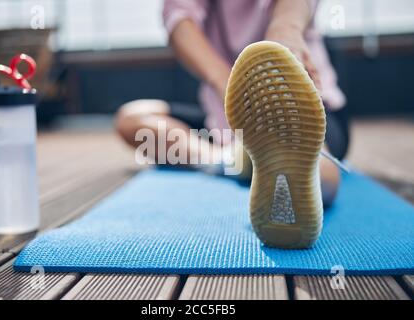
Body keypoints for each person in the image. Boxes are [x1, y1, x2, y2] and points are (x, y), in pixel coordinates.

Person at [115, 0, 349, 248]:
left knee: (315, 154)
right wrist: (231, 87)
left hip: (306, 108)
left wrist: (285, 36)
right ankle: (230, 160)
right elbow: (178, 18)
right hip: (226, 119)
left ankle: (299, 174)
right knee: (132, 118)